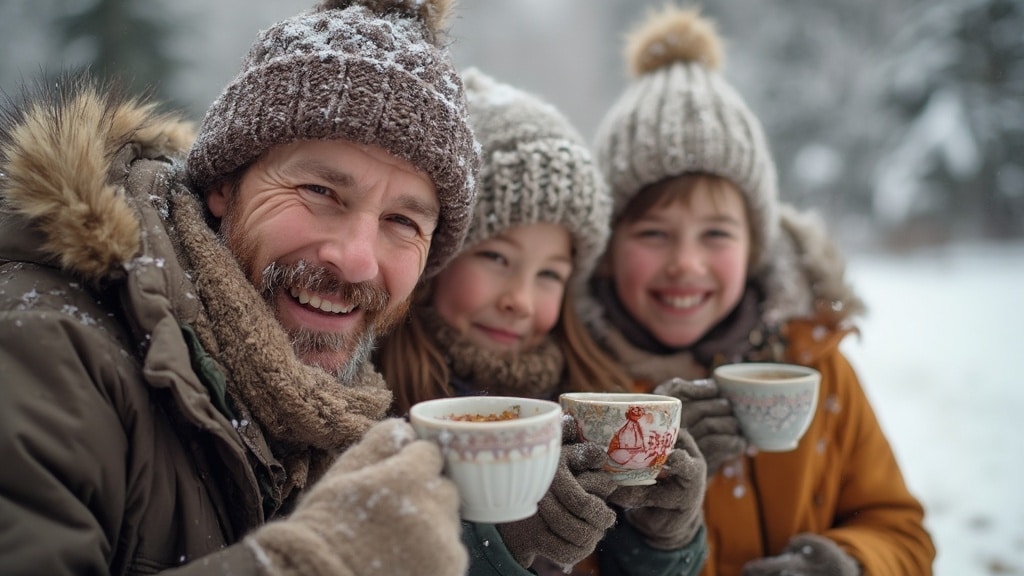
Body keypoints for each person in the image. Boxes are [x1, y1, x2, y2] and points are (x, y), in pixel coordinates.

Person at [0, 0, 480, 574]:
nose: (355, 261)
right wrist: (304, 565)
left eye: (403, 222)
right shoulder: (46, 353)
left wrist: (484, 532)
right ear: (225, 183)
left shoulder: (331, 410)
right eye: (320, 191)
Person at [581, 5, 936, 576]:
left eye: (716, 234)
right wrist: (648, 498)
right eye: (653, 233)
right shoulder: (582, 387)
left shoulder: (816, 367)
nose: (686, 263)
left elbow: (900, 528)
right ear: (608, 248)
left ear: (755, 247)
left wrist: (846, 565)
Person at [374, 67, 708, 576]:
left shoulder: (589, 402)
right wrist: (497, 545)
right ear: (435, 260)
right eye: (496, 259)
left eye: (550, 274)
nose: (521, 301)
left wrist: (663, 538)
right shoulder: (376, 403)